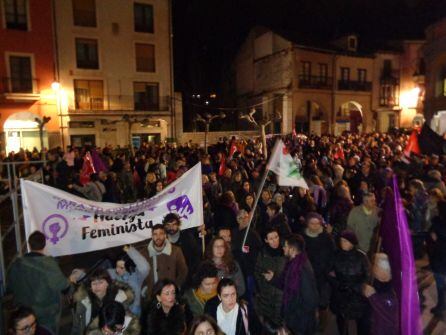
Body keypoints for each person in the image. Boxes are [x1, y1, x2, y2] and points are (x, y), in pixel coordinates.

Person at [7, 231, 75, 334]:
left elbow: (10, 288)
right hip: (45, 317)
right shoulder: (49, 265)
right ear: (44, 244)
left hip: (22, 316)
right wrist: (71, 281)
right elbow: (65, 287)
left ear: (29, 244)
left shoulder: (16, 264)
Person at [263, 234, 319, 335]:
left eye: (285, 246)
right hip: (294, 319)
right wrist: (273, 279)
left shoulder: (302, 269)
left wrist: (296, 318)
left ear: (292, 249)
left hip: (301, 323)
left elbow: (310, 301)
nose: (283, 248)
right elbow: (286, 284)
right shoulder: (292, 264)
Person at [329, 230, 370, 335]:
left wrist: (357, 287)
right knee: (341, 321)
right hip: (340, 294)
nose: (343, 243)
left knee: (360, 321)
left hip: (357, 295)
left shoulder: (361, 257)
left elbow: (368, 276)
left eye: (346, 241)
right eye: (342, 241)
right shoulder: (335, 255)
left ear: (352, 243)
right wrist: (338, 284)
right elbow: (329, 273)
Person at [71, 269, 134, 335]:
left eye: (101, 282)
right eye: (94, 283)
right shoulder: (83, 301)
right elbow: (76, 325)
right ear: (90, 287)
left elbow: (125, 325)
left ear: (108, 283)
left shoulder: (119, 299)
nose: (97, 286)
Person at [302, 212, 335, 330]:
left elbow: (332, 254)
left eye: (317, 223)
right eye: (312, 223)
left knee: (322, 302)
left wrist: (329, 269)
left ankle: (322, 324)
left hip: (323, 275)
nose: (315, 226)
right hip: (308, 274)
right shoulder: (303, 237)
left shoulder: (326, 237)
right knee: (308, 300)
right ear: (307, 224)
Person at [141, 224, 188, 298]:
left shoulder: (175, 251)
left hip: (169, 294)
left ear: (165, 235)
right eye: (155, 234)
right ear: (152, 236)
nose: (158, 237)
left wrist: (176, 286)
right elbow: (140, 273)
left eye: (161, 233)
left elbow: (183, 271)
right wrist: (144, 288)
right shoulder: (144, 253)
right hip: (151, 294)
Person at [254, 227, 286, 326]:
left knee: (280, 321)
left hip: (282, 294)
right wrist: (262, 287)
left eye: (276, 237)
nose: (275, 241)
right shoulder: (262, 254)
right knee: (268, 323)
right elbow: (257, 272)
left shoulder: (285, 252)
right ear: (266, 240)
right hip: (266, 294)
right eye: (271, 239)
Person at [107, 245, 150, 316]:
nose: (118, 270)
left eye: (121, 267)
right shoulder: (112, 273)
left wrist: (129, 250)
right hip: (118, 312)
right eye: (117, 266)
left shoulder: (136, 276)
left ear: (128, 267)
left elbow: (145, 268)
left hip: (134, 311)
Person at [362, 253, 399, 335]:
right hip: (374, 326)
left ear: (386, 271)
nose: (373, 268)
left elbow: (390, 317)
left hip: (385, 330)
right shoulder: (376, 282)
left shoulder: (393, 291)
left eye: (376, 266)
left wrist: (372, 296)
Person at [163, 213, 202, 283]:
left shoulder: (187, 238)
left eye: (174, 224)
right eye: (168, 225)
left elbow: (196, 256)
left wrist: (192, 274)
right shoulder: (162, 241)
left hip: (187, 278)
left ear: (178, 225)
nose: (171, 227)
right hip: (169, 279)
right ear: (165, 226)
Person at [428, 200, 446, 316]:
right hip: (439, 257)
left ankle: (441, 305)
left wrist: (434, 238)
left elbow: (431, 236)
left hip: (439, 258)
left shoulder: (436, 222)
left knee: (440, 282)